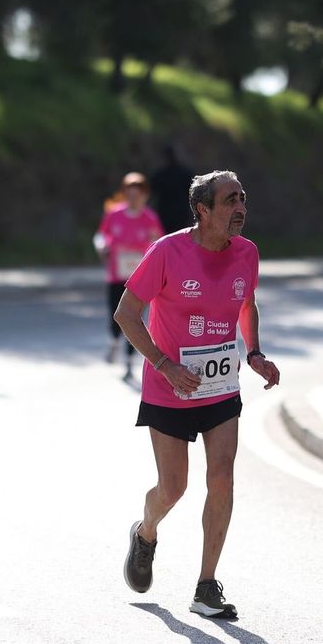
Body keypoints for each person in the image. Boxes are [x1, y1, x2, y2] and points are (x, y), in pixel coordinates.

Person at [115, 170, 281, 620]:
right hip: (170, 389)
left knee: (222, 477)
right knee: (174, 488)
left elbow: (246, 303)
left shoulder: (247, 253)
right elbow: (127, 313)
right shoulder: (167, 251)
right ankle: (146, 532)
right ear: (203, 210)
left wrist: (256, 353)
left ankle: (206, 585)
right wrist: (165, 365)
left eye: (243, 198)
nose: (240, 207)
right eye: (229, 200)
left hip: (220, 387)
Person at [94, 172, 164, 377]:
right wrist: (102, 247)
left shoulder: (150, 218)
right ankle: (114, 342)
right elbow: (101, 236)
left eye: (138, 194)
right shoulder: (114, 214)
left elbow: (159, 244)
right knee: (115, 314)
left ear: (145, 196)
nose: (133, 198)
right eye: (129, 194)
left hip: (139, 277)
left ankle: (129, 363)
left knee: (135, 319)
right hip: (116, 274)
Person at [149, 144, 193, 232]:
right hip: (181, 213)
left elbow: (152, 192)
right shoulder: (186, 173)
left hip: (164, 214)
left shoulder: (160, 175)